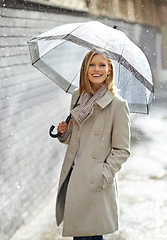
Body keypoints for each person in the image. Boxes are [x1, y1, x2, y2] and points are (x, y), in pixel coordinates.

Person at [56, 51, 131, 240]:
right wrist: (65, 133)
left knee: (90, 235)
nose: (96, 69)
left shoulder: (117, 105)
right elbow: (78, 139)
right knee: (83, 235)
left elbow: (122, 150)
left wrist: (103, 175)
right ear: (85, 68)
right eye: (92, 64)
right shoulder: (78, 96)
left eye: (102, 65)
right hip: (75, 177)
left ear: (109, 70)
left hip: (95, 180)